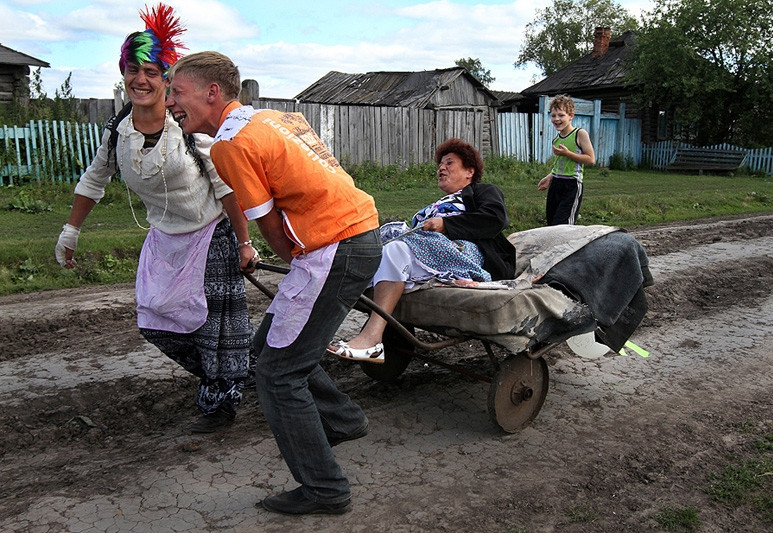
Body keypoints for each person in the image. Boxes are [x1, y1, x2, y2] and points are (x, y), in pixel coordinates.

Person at [165, 51, 382, 516]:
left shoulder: (230, 145)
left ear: (212, 93)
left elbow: (267, 226)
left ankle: (325, 490)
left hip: (333, 247)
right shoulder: (273, 118)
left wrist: (297, 264)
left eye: (176, 93)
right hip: (356, 233)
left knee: (278, 375)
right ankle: (342, 421)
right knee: (268, 350)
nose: (169, 104)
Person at [54, 5, 256, 434]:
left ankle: (220, 403)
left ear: (167, 78)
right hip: (165, 240)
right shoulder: (117, 131)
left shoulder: (188, 128)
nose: (140, 79)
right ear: (122, 73)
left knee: (210, 328)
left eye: (151, 70)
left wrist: (244, 242)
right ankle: (244, 369)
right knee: (155, 319)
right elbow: (93, 181)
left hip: (211, 237)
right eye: (132, 69)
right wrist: (71, 231)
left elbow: (227, 190)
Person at [328, 138, 516, 363]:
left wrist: (446, 225)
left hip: (466, 253)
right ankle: (322, 329)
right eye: (440, 165)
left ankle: (372, 339)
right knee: (367, 250)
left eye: (449, 163)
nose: (441, 168)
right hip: (429, 250)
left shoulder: (482, 191)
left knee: (396, 250)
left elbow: (495, 218)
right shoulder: (441, 202)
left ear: (469, 171)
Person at [537, 94, 595, 225]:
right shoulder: (556, 139)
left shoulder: (580, 134)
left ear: (571, 116)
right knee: (551, 224)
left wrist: (568, 153)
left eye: (561, 115)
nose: (556, 119)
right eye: (553, 115)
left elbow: (590, 159)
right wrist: (549, 177)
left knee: (563, 226)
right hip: (556, 184)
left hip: (572, 185)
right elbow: (560, 164)